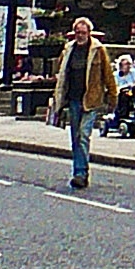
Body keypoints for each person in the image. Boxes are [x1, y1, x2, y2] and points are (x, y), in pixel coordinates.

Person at [52, 17, 117, 189]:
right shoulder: (69, 50)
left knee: (83, 135)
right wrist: (58, 98)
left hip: (91, 99)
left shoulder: (98, 50)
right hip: (73, 99)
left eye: (83, 32)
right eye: (77, 32)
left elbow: (108, 73)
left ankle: (81, 173)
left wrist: (112, 96)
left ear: (89, 33)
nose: (80, 35)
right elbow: (61, 73)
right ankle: (78, 171)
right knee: (75, 137)